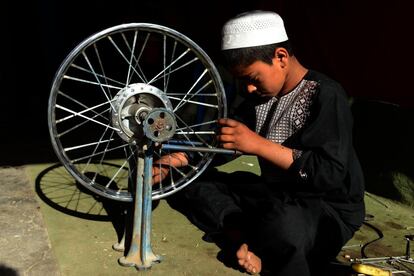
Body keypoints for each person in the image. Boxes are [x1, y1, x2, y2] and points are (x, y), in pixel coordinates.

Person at [153, 10, 365, 276]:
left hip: (326, 210)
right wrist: (180, 159)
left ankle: (255, 242)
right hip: (274, 193)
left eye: (253, 79)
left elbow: (329, 173)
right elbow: (223, 143)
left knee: (284, 223)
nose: (249, 89)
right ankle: (244, 235)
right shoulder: (259, 97)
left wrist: (258, 145)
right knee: (190, 180)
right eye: (242, 81)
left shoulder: (325, 95)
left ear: (280, 57)